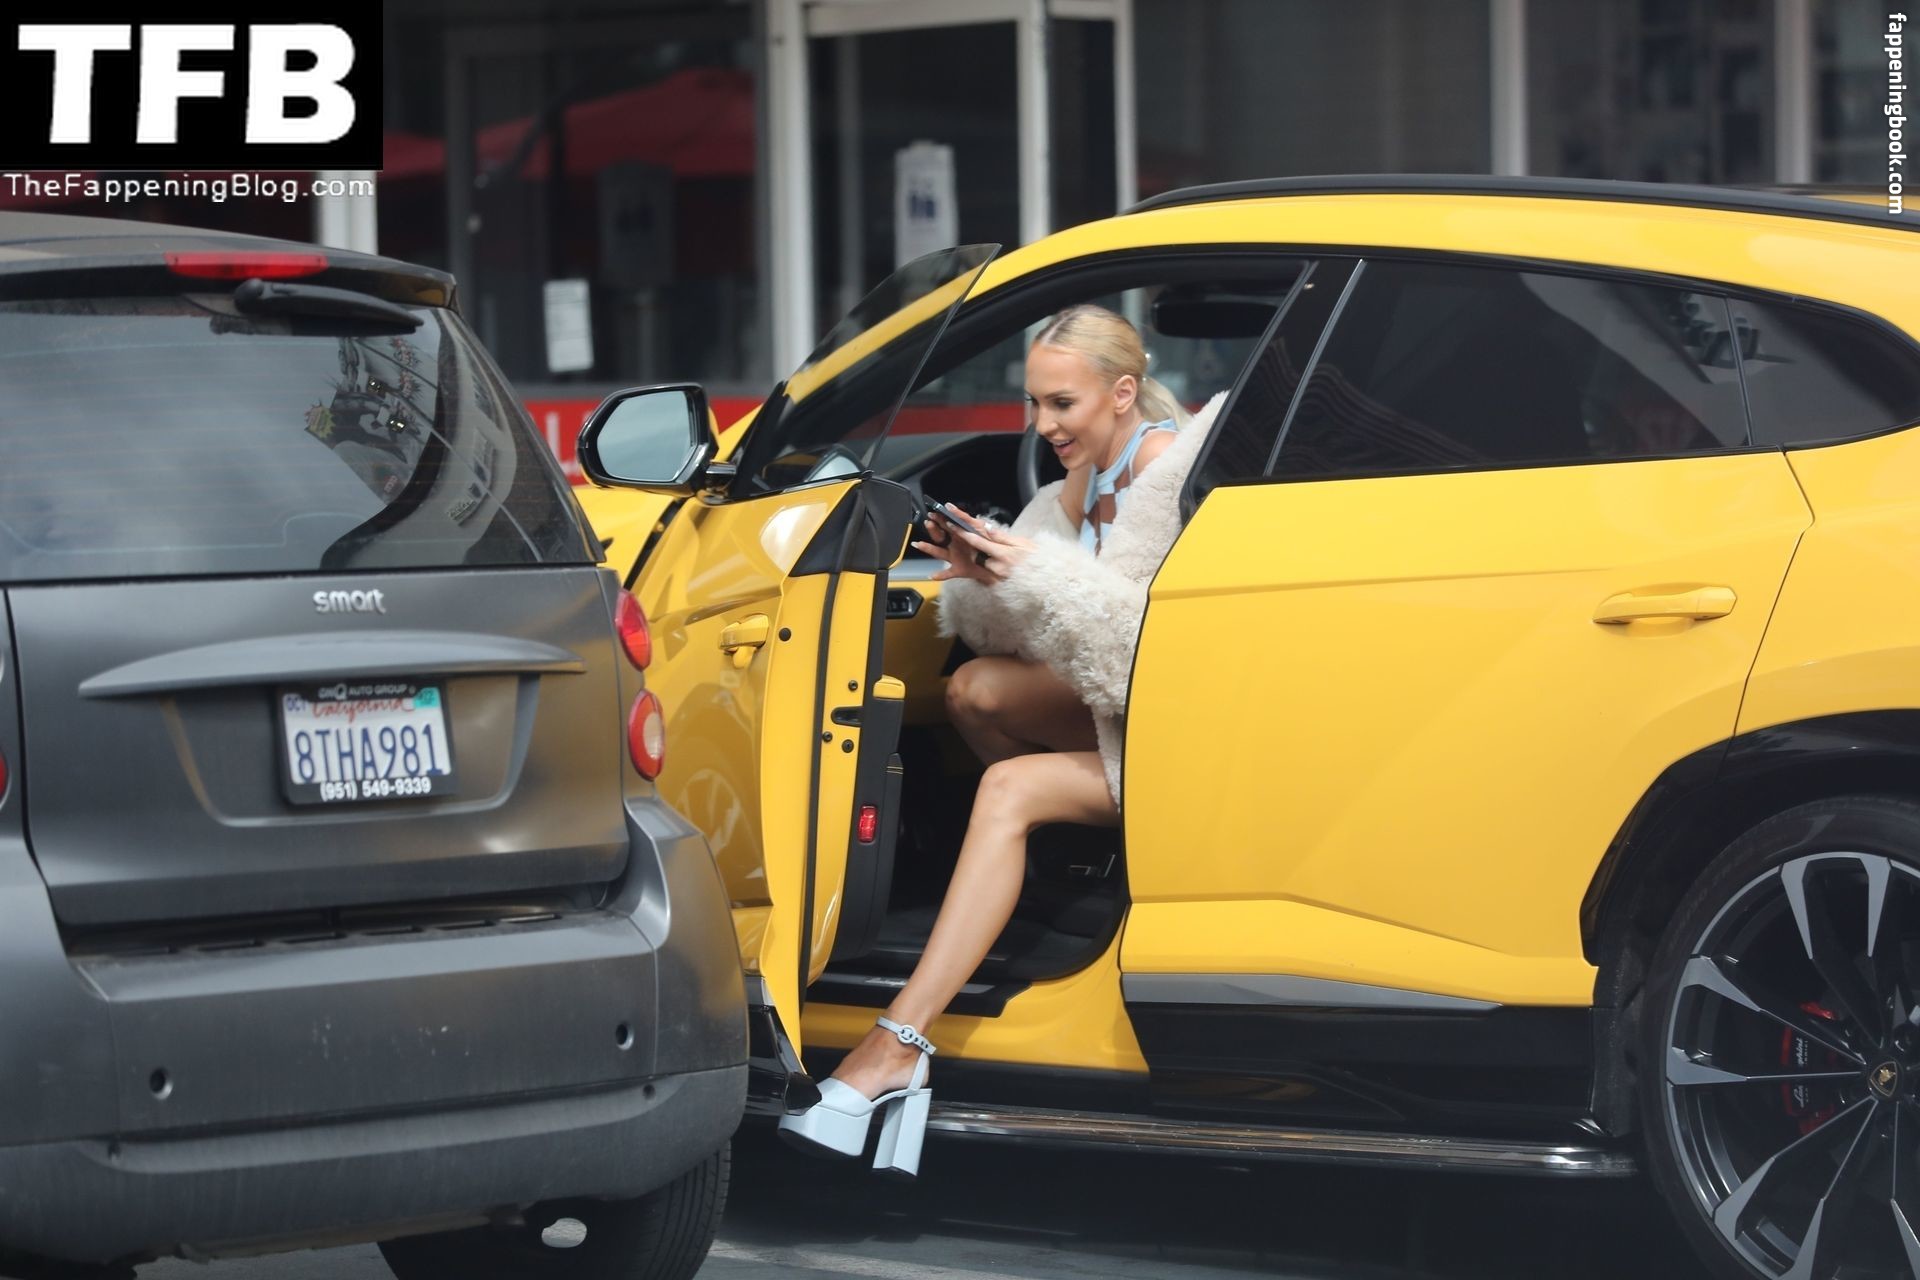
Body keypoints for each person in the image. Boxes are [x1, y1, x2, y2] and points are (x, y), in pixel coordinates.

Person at [777, 304, 1227, 1175]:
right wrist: (981, 576)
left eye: (1063, 404)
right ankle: (1052, 873)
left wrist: (1032, 572)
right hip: (1123, 715)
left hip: (1176, 732)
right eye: (1034, 404)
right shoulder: (1076, 487)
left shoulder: (1165, 478)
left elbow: (1140, 659)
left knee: (1006, 789)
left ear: (1122, 393)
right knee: (972, 691)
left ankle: (897, 1045)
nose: (1044, 425)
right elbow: (1027, 640)